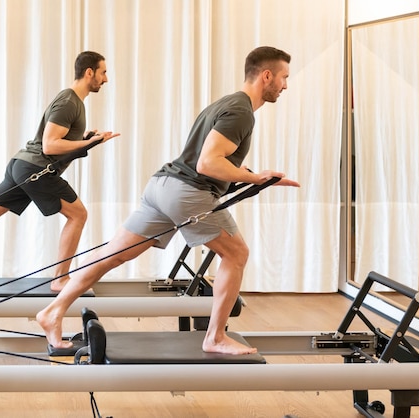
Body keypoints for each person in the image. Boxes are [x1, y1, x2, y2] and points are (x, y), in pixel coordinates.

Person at [36, 46, 300, 355]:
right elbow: (207, 164)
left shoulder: (227, 104)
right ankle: (214, 337)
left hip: (162, 186)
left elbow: (209, 160)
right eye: (283, 77)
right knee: (237, 254)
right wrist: (255, 178)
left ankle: (52, 311)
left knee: (112, 255)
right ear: (266, 75)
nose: (285, 85)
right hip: (186, 192)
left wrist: (257, 175)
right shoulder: (242, 112)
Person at [0, 51, 119, 290]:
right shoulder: (69, 102)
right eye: (103, 72)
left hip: (24, 165)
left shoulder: (74, 102)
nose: (106, 79)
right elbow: (50, 145)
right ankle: (60, 279)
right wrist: (87, 143)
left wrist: (89, 139)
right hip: (35, 169)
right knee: (78, 214)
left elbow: (61, 142)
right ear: (90, 72)